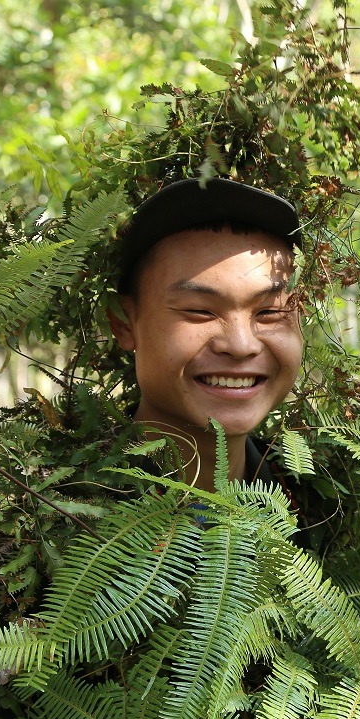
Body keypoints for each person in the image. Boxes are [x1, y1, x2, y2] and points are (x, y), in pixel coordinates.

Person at [108, 175, 304, 489]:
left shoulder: (320, 512)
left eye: (269, 312)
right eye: (200, 311)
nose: (241, 345)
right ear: (124, 323)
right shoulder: (51, 517)